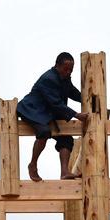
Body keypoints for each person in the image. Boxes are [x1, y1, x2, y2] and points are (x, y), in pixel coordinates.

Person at [16, 52, 90, 181]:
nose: (68, 72)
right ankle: (33, 165)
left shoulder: (65, 78)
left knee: (66, 139)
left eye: (71, 70)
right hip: (33, 109)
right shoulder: (48, 79)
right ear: (57, 66)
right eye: (66, 69)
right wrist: (77, 115)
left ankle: (65, 172)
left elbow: (72, 92)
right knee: (44, 131)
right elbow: (56, 104)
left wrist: (88, 99)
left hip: (48, 112)